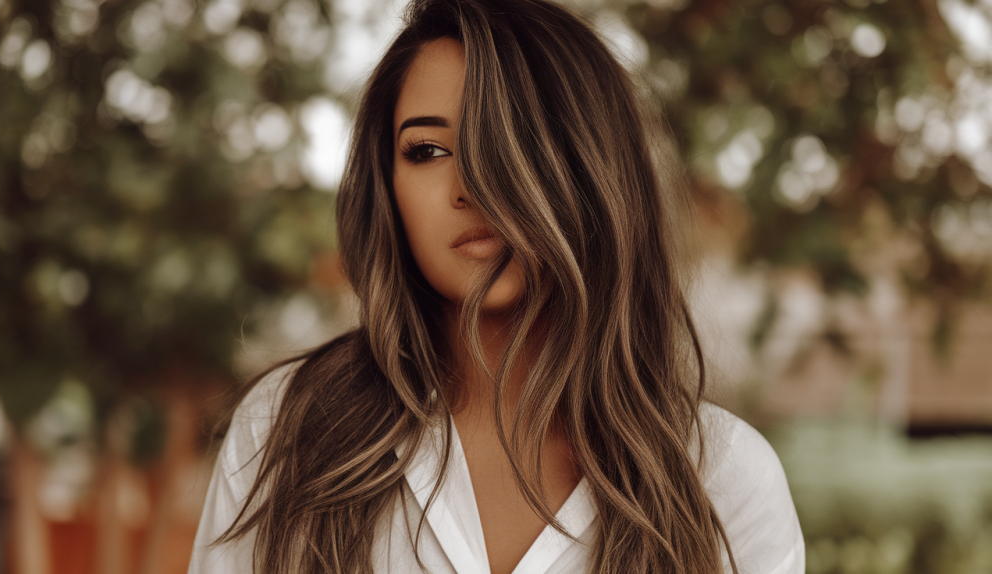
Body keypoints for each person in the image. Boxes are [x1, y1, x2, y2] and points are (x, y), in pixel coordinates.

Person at [188, 0, 806, 572]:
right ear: (388, 188)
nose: (469, 186)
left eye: (511, 143)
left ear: (593, 169)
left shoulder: (722, 478)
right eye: (427, 150)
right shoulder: (286, 428)